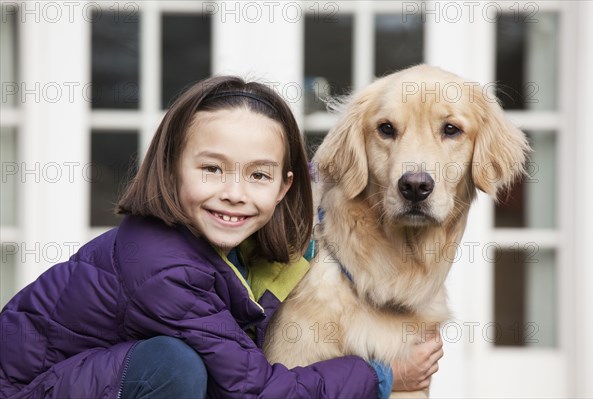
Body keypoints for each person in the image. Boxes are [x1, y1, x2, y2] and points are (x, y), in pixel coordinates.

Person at [0, 76, 443, 399]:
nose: (234, 194)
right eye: (212, 168)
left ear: (284, 187)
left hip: (76, 380)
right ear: (171, 168)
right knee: (174, 367)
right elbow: (254, 390)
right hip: (25, 390)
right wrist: (383, 377)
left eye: (258, 175)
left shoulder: (226, 247)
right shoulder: (163, 268)